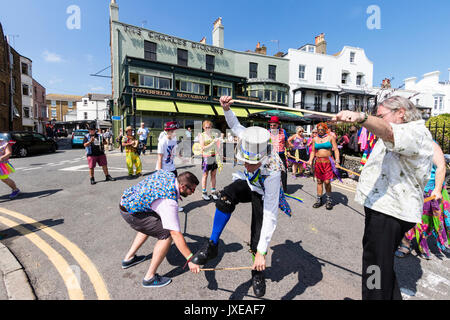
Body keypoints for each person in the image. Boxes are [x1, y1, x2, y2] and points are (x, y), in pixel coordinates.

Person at [333, 95, 434, 300]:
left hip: (389, 211)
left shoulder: (412, 132)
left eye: (381, 115)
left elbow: (388, 131)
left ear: (400, 113)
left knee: (374, 265)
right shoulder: (410, 133)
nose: (377, 119)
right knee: (382, 265)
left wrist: (361, 117)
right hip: (384, 208)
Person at [191, 96, 292, 298]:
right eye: (244, 161)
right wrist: (226, 108)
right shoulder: (251, 136)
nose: (246, 165)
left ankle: (257, 272)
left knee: (257, 236)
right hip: (250, 184)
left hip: (263, 193)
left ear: (263, 158)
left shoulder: (273, 171)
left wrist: (262, 252)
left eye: (251, 163)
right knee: (225, 197)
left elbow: (271, 213)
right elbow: (235, 124)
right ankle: (212, 246)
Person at [120, 170, 201, 287]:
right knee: (167, 233)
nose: (193, 192)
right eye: (192, 189)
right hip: (132, 213)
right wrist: (190, 258)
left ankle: (129, 258)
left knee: (153, 222)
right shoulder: (169, 202)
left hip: (128, 201)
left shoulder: (168, 174)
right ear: (182, 186)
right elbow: (175, 233)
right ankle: (149, 277)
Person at [395, 141, 450, 259]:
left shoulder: (431, 145)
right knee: (409, 219)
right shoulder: (404, 144)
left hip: (431, 190)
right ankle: (406, 244)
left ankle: (423, 244)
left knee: (429, 222)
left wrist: (437, 189)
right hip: (412, 189)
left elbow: (441, 166)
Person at [307, 122, 340, 210]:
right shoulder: (314, 139)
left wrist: (337, 161)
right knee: (319, 181)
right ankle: (319, 200)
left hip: (328, 162)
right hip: (318, 162)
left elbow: (336, 150)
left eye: (322, 129)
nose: (320, 131)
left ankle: (329, 200)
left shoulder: (331, 138)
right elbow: (313, 151)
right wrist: (310, 160)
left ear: (326, 129)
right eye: (319, 130)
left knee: (327, 182)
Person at [156, 121, 184, 212]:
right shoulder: (162, 142)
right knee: (164, 190)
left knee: (175, 189)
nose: (176, 133)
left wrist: (180, 156)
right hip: (163, 169)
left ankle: (174, 206)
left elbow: (174, 151)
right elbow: (159, 158)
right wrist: (160, 172)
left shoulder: (174, 139)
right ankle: (162, 208)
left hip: (172, 168)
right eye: (174, 131)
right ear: (169, 131)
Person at [199, 120, 220, 201]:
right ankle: (204, 193)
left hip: (214, 156)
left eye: (209, 127)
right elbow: (203, 147)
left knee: (214, 174)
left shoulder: (214, 135)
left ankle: (213, 192)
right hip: (206, 157)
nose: (208, 129)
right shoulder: (201, 135)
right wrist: (212, 143)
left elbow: (216, 146)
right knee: (205, 175)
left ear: (211, 127)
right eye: (206, 127)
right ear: (203, 127)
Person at [268, 116, 289, 192]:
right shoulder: (268, 132)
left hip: (281, 154)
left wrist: (288, 150)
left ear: (278, 125)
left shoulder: (283, 132)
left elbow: (286, 143)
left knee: (283, 172)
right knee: (272, 172)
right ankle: (272, 189)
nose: (272, 127)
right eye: (271, 125)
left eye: (274, 125)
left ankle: (284, 190)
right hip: (271, 155)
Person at [0, 134, 20, 199]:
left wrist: (2, 157)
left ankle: (15, 189)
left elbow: (8, 153)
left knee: (4, 179)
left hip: (1, 164)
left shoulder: (4, 143)